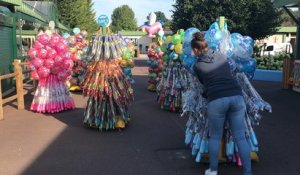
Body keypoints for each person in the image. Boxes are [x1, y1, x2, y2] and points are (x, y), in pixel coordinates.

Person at [191, 32, 252, 175]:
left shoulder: (198, 66)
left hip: (217, 100)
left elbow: (204, 84)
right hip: (236, 96)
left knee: (215, 136)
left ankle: (213, 170)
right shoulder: (221, 56)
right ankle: (248, 172)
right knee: (240, 136)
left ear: (195, 50)